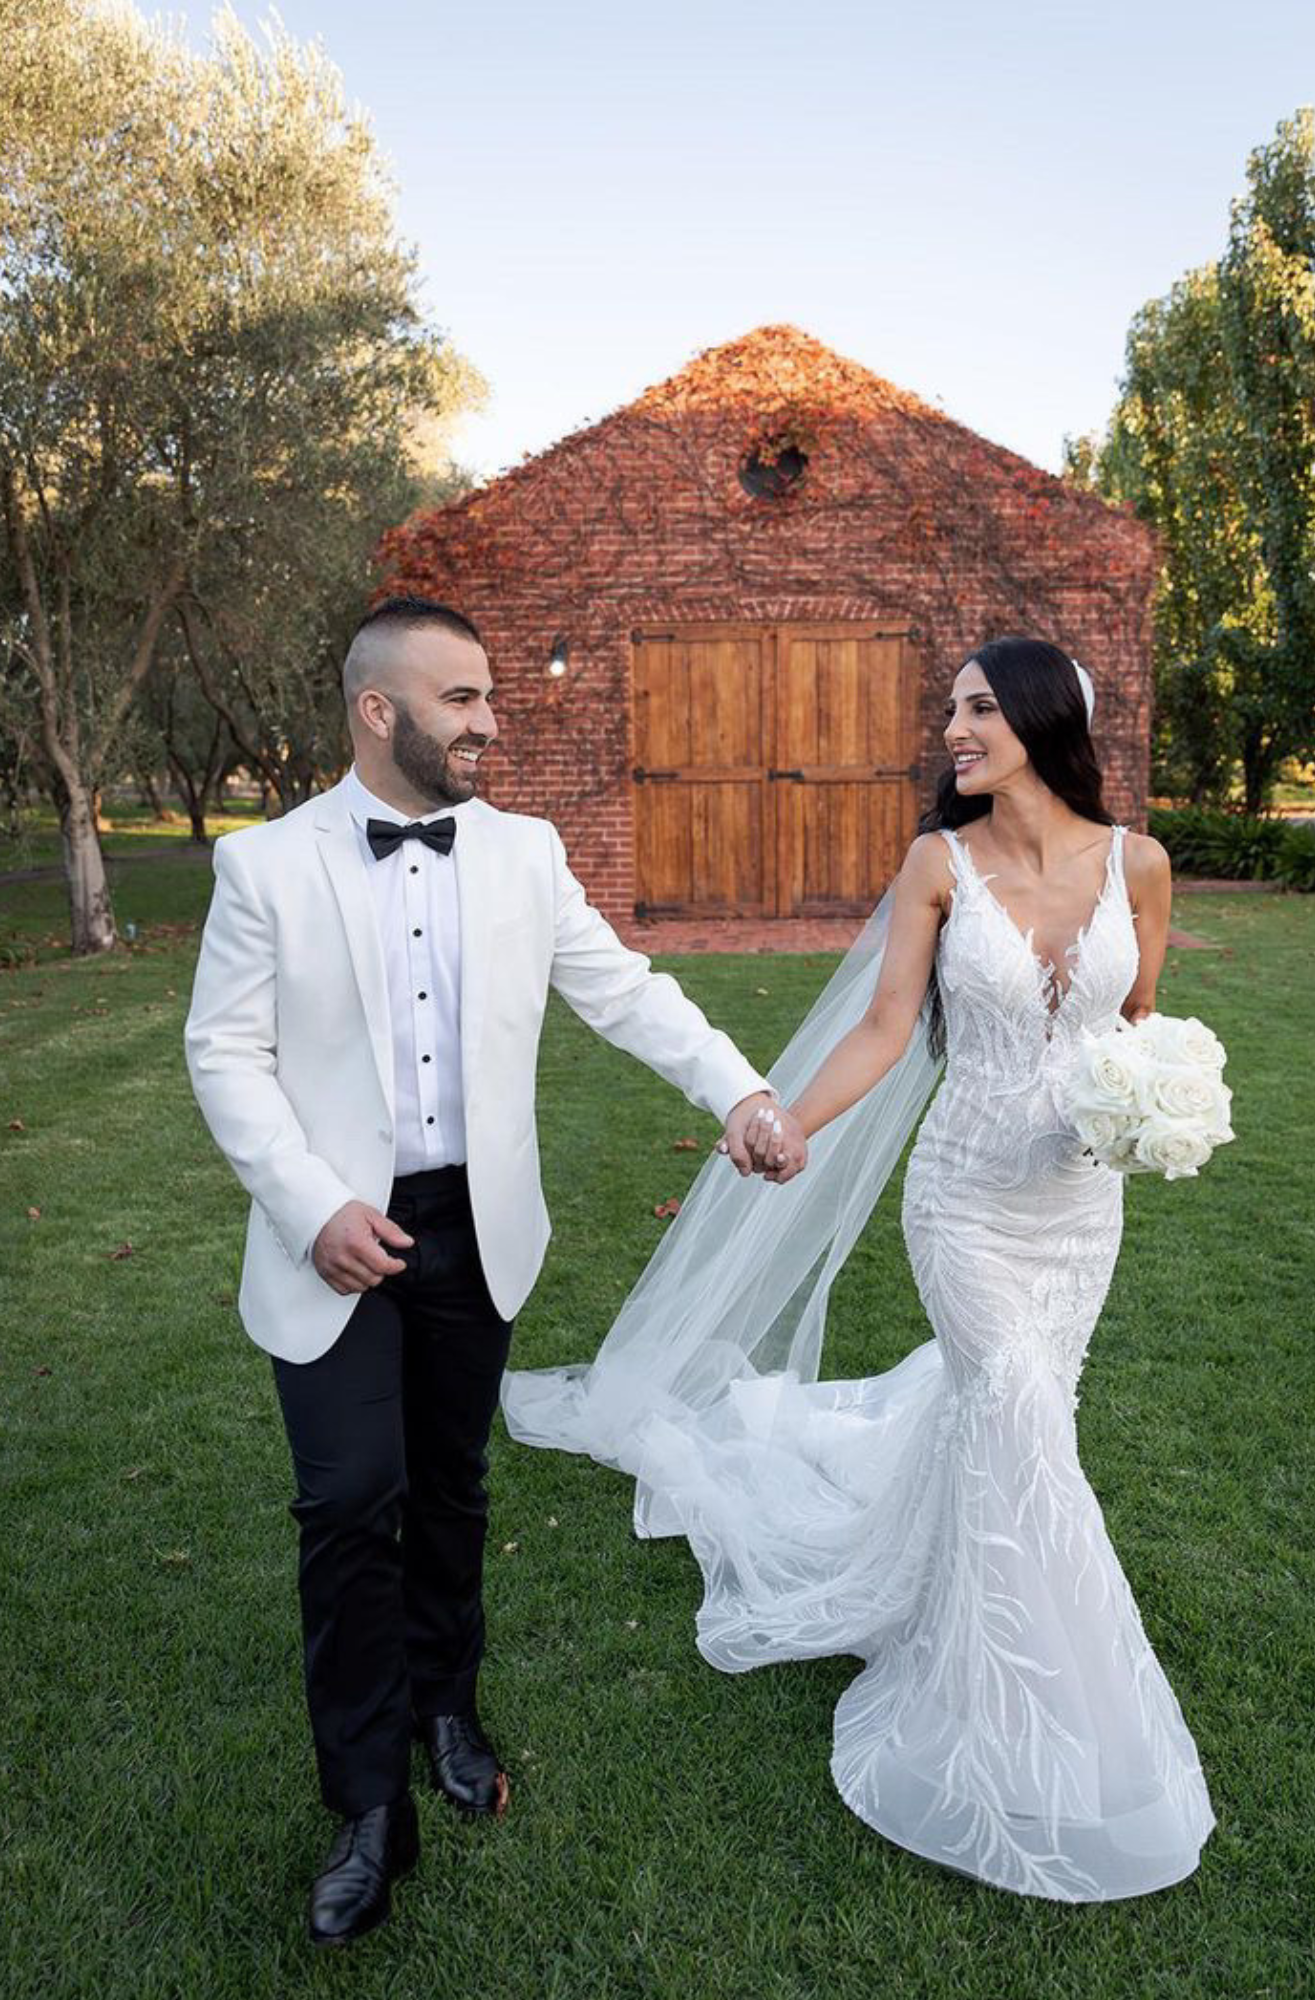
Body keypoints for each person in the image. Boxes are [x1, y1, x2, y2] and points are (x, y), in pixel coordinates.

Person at [504, 637, 1216, 1902]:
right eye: (948, 707)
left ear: (1044, 719)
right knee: (1011, 1404)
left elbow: (1138, 1019)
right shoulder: (938, 865)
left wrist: (1151, 1100)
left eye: (978, 706)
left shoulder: (1140, 865)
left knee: (1021, 1420)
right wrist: (790, 1120)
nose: (950, 726)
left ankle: (949, 1584)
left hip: (1077, 1212)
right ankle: (1043, 1719)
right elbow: (889, 1025)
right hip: (965, 1203)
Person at [184, 595, 794, 1946]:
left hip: (478, 1228)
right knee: (350, 1500)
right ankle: (362, 1802)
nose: (492, 722)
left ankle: (446, 1709)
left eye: (490, 695)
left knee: (451, 1486)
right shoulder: (265, 868)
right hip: (332, 1237)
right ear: (377, 711)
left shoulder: (523, 853)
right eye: (462, 698)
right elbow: (223, 1054)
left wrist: (742, 1093)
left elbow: (626, 990)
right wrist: (310, 1204)